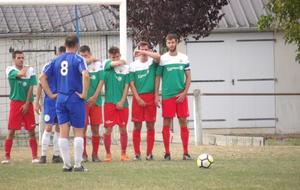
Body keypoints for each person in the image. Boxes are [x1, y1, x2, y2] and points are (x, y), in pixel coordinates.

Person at [40, 35, 89, 172]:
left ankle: (66, 165)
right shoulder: (79, 59)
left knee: (63, 132)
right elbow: (85, 75)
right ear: (77, 45)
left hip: (60, 98)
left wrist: (50, 94)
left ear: (65, 45)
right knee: (78, 131)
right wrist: (84, 94)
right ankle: (78, 165)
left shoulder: (55, 59)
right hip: (75, 97)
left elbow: (42, 77)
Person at [155, 33, 192, 160]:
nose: (171, 44)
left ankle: (186, 153)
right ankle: (167, 153)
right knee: (166, 122)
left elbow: (188, 77)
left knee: (183, 122)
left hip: (181, 96)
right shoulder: (163, 59)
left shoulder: (184, 58)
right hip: (167, 96)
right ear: (166, 44)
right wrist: (156, 95)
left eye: (173, 42)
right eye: (169, 42)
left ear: (177, 42)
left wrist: (184, 93)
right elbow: (158, 77)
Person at [2, 51, 39, 164]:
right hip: (15, 103)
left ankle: (34, 157)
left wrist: (27, 103)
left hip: (28, 103)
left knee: (31, 131)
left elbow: (31, 88)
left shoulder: (31, 71)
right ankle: (7, 157)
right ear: (14, 59)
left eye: (23, 58)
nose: (21, 60)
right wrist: (27, 67)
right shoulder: (10, 69)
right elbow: (22, 74)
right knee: (11, 131)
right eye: (19, 58)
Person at [129, 41, 160, 160]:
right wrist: (137, 98)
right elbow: (132, 84)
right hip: (138, 98)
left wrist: (143, 51)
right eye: (141, 49)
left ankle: (149, 153)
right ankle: (137, 154)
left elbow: (158, 57)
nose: (143, 52)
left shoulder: (152, 62)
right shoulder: (133, 65)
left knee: (150, 126)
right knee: (137, 127)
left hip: (150, 97)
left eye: (146, 49)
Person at [35, 46, 66, 164]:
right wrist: (37, 101)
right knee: (48, 127)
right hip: (50, 101)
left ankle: (56, 155)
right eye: (60, 54)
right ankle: (43, 155)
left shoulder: (67, 67)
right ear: (57, 54)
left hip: (62, 100)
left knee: (59, 127)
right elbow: (40, 84)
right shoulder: (49, 66)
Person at [103, 46, 130, 162]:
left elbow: (126, 86)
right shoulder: (106, 64)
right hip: (109, 103)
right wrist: (121, 61)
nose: (115, 59)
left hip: (123, 104)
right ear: (110, 57)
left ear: (120, 55)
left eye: (117, 56)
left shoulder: (126, 68)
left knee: (123, 129)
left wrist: (122, 101)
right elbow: (113, 64)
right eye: (113, 57)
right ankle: (108, 154)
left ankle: (123, 154)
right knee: (108, 130)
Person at [79, 45, 104, 162]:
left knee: (95, 129)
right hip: (82, 102)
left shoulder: (99, 65)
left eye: (86, 55)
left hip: (96, 102)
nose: (84, 58)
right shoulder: (80, 66)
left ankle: (95, 155)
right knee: (82, 129)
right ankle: (83, 155)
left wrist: (94, 97)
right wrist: (91, 59)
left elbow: (101, 81)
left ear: (90, 54)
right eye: (82, 56)